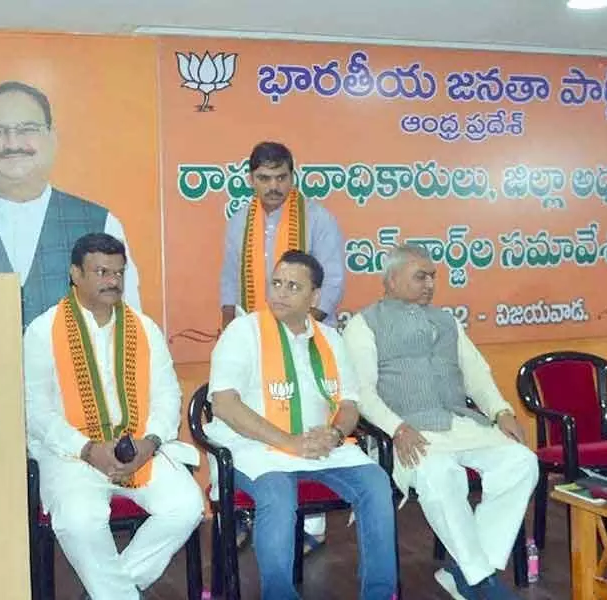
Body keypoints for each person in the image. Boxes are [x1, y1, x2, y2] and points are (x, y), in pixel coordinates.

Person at [343, 244, 536, 600]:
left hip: (459, 423)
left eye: (433, 276)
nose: (430, 283)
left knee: (521, 461)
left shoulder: (447, 320)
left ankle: (468, 569)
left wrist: (501, 411)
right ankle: (480, 582)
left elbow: (476, 372)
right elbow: (362, 392)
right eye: (421, 276)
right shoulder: (364, 323)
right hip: (407, 431)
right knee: (441, 474)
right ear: (392, 279)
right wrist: (396, 428)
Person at [206, 250, 398, 600]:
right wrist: (288, 443)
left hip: (319, 447)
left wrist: (336, 433)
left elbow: (349, 404)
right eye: (276, 283)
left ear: (315, 296)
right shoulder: (243, 331)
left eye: (293, 286)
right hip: (255, 448)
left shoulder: (330, 338)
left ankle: (381, 594)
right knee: (278, 491)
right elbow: (225, 404)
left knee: (375, 481)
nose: (280, 292)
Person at [23, 233, 202, 600]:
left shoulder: (144, 329)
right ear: (75, 273)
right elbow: (35, 412)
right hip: (71, 453)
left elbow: (168, 395)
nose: (112, 281)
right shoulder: (42, 332)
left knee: (186, 506)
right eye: (101, 271)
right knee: (79, 519)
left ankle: (108, 592)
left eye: (118, 273)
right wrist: (88, 450)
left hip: (136, 447)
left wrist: (149, 444)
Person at [219, 141, 346, 548]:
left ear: (293, 176)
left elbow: (332, 283)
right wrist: (232, 329)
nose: (273, 186)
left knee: (305, 417)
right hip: (252, 338)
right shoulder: (240, 219)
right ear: (250, 179)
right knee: (249, 421)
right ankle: (245, 509)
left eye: (281, 177)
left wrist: (302, 335)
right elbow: (229, 278)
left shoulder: (318, 219)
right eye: (264, 178)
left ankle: (311, 527)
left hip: (303, 336)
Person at [0, 81, 141, 329]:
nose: (12, 143)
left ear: (52, 137)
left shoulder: (100, 223)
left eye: (27, 129)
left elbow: (128, 329)